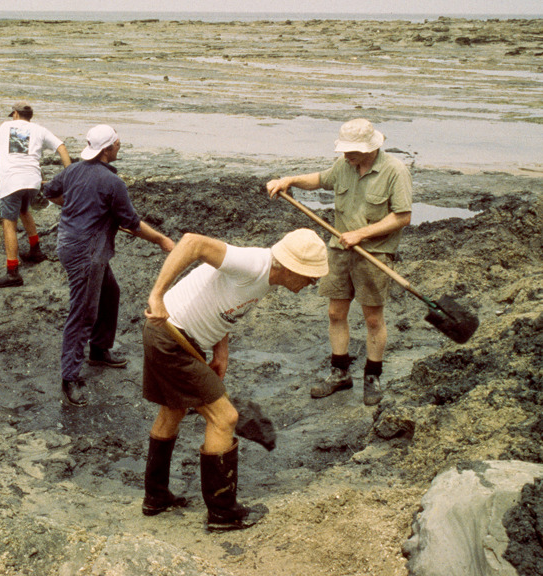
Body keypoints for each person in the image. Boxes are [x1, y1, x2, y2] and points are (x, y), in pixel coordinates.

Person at [142, 229, 329, 531]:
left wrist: (221, 351)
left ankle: (156, 497)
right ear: (290, 267)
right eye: (310, 277)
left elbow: (224, 306)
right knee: (225, 418)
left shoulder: (267, 279)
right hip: (170, 335)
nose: (311, 283)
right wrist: (157, 295)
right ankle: (222, 513)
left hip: (178, 338)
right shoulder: (252, 263)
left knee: (172, 410)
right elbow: (192, 242)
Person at [266, 118, 412, 406]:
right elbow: (321, 179)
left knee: (372, 318)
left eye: (352, 151)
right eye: (344, 150)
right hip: (339, 250)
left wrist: (361, 233)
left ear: (370, 148)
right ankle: (340, 373)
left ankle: (372, 375)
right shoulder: (344, 166)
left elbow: (402, 216)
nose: (345, 155)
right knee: (335, 313)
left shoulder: (395, 170)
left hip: (375, 254)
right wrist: (290, 180)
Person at [44, 125, 175, 407]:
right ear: (106, 150)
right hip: (87, 251)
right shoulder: (113, 183)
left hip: (71, 244)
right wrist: (162, 240)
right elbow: (131, 222)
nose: (119, 148)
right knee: (82, 313)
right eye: (117, 145)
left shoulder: (73, 170)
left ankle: (100, 349)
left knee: (110, 292)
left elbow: (51, 192)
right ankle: (69, 378)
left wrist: (74, 206)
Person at [0, 102, 71, 288]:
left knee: (9, 223)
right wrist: (70, 175)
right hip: (33, 181)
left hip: (12, 181)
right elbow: (61, 147)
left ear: (16, 114)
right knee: (24, 210)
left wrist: (3, 172)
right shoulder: (39, 129)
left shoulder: (5, 126)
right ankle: (35, 250)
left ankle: (12, 273)